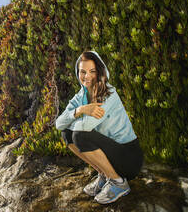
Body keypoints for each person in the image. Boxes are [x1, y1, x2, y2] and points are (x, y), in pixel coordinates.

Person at [55, 51, 143, 204]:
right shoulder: (80, 96)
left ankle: (118, 183)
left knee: (79, 135)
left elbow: (85, 127)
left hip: (129, 157)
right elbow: (59, 124)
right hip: (111, 153)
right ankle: (105, 174)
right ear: (78, 73)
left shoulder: (108, 94)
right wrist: (80, 110)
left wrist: (75, 117)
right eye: (83, 71)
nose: (86, 76)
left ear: (99, 72)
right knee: (66, 134)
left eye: (92, 71)